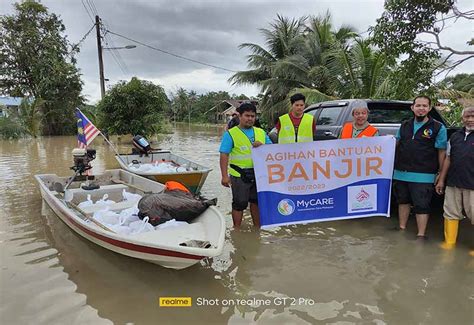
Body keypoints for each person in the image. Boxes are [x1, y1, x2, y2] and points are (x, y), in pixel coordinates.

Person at [392, 95, 447, 239]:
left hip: (424, 174)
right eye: (418, 106)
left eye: (424, 106)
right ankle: (402, 228)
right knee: (402, 201)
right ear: (412, 108)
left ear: (429, 108)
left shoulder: (438, 127)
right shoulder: (404, 125)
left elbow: (442, 152)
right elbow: (394, 145)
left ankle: (421, 235)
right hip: (400, 172)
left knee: (422, 205)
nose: (421, 109)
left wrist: (440, 173)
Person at [219, 103, 272, 228]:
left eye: (252, 116)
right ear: (240, 116)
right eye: (247, 116)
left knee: (256, 202)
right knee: (239, 203)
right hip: (239, 175)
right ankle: (236, 231)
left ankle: (257, 229)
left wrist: (263, 145)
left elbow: (272, 150)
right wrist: (224, 176)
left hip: (258, 174)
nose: (250, 119)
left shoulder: (261, 132)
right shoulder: (230, 134)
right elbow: (224, 155)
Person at [435, 106, 474, 252]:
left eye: (473, 116)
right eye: (467, 117)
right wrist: (441, 179)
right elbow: (448, 159)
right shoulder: (455, 136)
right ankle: (449, 244)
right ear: (462, 119)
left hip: (472, 184)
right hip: (454, 183)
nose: (470, 119)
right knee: (451, 213)